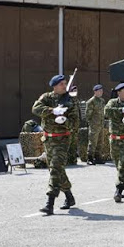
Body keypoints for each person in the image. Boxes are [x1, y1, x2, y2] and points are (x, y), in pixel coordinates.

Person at [32, 75, 79, 215]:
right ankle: (69, 197)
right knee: (56, 169)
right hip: (48, 139)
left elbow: (75, 123)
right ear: (54, 86)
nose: (64, 86)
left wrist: (64, 120)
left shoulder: (71, 100)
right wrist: (52, 111)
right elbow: (35, 109)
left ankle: (49, 203)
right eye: (61, 84)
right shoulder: (46, 97)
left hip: (62, 140)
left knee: (56, 168)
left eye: (65, 84)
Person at [86, 84, 106, 165]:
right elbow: (88, 115)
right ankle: (90, 158)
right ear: (95, 91)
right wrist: (91, 123)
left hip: (101, 124)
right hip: (94, 124)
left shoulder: (102, 101)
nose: (101, 92)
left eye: (102, 91)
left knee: (100, 142)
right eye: (99, 91)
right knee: (92, 142)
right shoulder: (91, 101)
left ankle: (98, 157)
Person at [66, 86, 81, 166]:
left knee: (74, 143)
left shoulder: (76, 100)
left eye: (76, 90)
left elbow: (78, 113)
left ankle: (73, 159)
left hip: (76, 125)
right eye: (73, 90)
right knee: (69, 142)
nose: (75, 92)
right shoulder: (68, 101)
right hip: (70, 126)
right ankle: (67, 160)